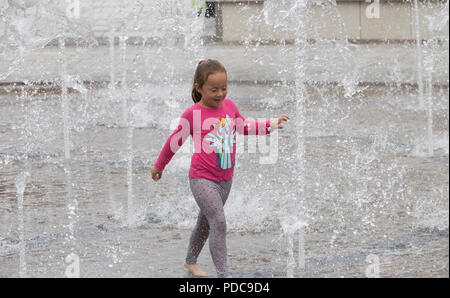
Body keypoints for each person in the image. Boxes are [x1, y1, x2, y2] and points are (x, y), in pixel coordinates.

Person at [151, 59, 290, 278]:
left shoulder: (230, 106)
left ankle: (190, 261)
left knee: (205, 223)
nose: (220, 94)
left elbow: (244, 127)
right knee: (219, 221)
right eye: (213, 89)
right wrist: (159, 165)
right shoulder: (193, 114)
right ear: (199, 88)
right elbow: (174, 141)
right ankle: (224, 275)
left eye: (224, 88)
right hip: (202, 179)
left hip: (225, 179)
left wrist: (269, 125)